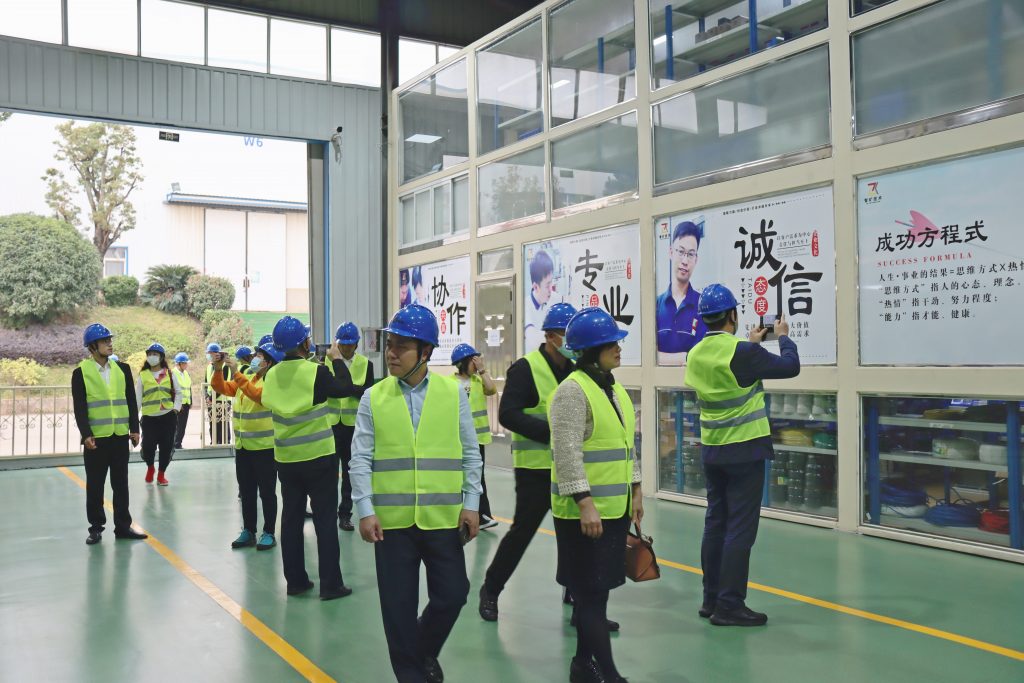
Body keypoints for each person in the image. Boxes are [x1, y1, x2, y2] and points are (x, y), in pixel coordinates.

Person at [350, 304, 483, 683]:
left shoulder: (452, 394)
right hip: (391, 524)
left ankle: (422, 651)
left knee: (453, 594)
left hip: (442, 518)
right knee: (398, 609)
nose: (391, 353)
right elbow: (360, 458)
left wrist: (472, 504)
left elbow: (470, 452)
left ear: (425, 352)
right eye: (389, 345)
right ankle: (411, 674)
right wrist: (364, 509)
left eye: (401, 347)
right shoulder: (373, 397)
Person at [483, 302, 624, 632]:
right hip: (536, 470)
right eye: (563, 334)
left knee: (576, 538)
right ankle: (491, 589)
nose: (569, 341)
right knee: (522, 533)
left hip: (572, 469)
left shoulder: (579, 371)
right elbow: (507, 414)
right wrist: (552, 433)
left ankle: (581, 604)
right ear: (549, 337)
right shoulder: (525, 369)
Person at [684, 284, 800, 627]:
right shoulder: (743, 353)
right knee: (740, 529)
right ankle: (730, 605)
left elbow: (732, 373)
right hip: (744, 450)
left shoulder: (696, 354)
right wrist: (783, 336)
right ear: (733, 315)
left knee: (715, 523)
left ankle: (711, 599)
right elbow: (790, 366)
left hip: (712, 449)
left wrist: (751, 344)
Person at [548, 307, 641, 683]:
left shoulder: (612, 388)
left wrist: (636, 489)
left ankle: (582, 665)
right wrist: (584, 502)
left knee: (597, 593)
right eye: (610, 343)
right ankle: (609, 674)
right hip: (583, 515)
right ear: (589, 351)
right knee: (589, 595)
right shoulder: (571, 391)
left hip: (613, 509)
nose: (618, 348)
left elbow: (625, 443)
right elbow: (566, 453)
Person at [251, 316, 354, 600]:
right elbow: (344, 388)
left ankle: (295, 581)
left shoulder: (271, 375)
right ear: (305, 344)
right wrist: (336, 359)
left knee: (291, 521)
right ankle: (331, 585)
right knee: (324, 521)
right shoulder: (315, 372)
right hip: (319, 458)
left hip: (286, 460)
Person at [71, 323, 148, 545]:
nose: (110, 343)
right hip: (96, 439)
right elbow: (80, 407)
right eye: (105, 341)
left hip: (119, 436)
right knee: (95, 486)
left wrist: (135, 429)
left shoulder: (122, 369)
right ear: (92, 346)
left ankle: (123, 526)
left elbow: (131, 401)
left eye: (110, 340)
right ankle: (95, 528)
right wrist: (86, 434)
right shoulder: (81, 373)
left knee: (121, 484)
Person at [212, 343, 282, 552]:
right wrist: (218, 369)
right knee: (247, 491)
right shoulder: (249, 377)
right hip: (243, 446)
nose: (254, 358)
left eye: (259, 356)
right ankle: (249, 530)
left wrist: (236, 373)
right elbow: (221, 388)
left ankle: (268, 532)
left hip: (264, 447)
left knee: (267, 493)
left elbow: (257, 396)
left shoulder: (272, 382)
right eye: (255, 355)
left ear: (269, 362)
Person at [328, 322, 375, 532]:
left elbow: (368, 392)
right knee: (328, 473)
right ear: (337, 344)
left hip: (353, 426)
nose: (346, 348)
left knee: (350, 473)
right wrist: (351, 388)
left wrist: (345, 388)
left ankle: (345, 514)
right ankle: (327, 513)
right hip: (330, 425)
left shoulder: (366, 364)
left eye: (350, 344)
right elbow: (325, 389)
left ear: (357, 344)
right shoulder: (326, 363)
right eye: (343, 344)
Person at [450, 343, 498, 530]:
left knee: (477, 476)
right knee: (457, 477)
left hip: (477, 439)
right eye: (473, 361)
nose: (476, 364)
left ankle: (482, 515)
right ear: (463, 363)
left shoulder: (478, 381)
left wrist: (483, 370)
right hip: (456, 439)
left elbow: (492, 390)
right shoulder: (449, 383)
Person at [656, 221, 707, 365]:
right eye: (681, 252)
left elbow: (701, 358)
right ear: (671, 252)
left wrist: (663, 358)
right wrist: (684, 357)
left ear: (696, 259)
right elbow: (648, 356)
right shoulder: (656, 305)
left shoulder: (703, 306)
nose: (685, 261)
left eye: (690, 254)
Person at [136, 343, 182, 486]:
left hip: (168, 417)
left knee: (166, 447)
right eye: (149, 354)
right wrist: (133, 418)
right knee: (148, 446)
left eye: (155, 354)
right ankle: (150, 467)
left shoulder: (169, 374)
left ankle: (161, 474)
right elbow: (138, 398)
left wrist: (175, 409)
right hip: (149, 418)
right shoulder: (143, 375)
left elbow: (178, 392)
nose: (152, 357)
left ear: (161, 357)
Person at [524, 249, 556, 351]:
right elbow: (533, 340)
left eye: (551, 283)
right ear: (535, 287)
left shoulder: (554, 299)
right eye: (547, 285)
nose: (551, 289)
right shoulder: (525, 306)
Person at [205, 342, 233, 445]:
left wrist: (211, 398)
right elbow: (206, 383)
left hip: (223, 400)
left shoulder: (225, 366)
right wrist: (207, 396)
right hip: (211, 400)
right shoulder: (209, 366)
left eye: (210, 353)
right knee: (213, 423)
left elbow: (221, 385)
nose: (208, 355)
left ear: (216, 354)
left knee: (223, 423)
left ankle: (225, 443)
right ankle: (214, 442)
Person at [172, 352, 192, 449]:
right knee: (175, 425)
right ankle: (173, 444)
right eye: (185, 363)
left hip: (186, 403)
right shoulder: (173, 373)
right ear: (179, 363)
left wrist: (190, 400)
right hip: (177, 404)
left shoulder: (186, 373)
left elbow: (189, 388)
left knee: (182, 426)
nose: (186, 365)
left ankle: (178, 444)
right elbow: (172, 390)